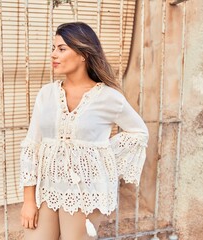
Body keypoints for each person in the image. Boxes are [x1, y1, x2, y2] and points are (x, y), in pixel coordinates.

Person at [19, 22, 149, 240]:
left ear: (83, 54)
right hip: (47, 189)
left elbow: (139, 133)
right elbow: (32, 145)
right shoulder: (46, 94)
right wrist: (28, 200)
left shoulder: (109, 97)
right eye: (53, 48)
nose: (53, 55)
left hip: (85, 193)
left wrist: (101, 156)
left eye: (61, 49)